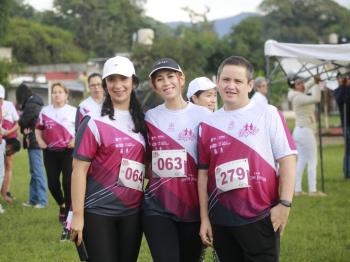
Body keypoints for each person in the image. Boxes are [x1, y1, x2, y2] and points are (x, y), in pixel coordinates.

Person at [197, 56, 297, 262]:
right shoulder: (207, 123)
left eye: (238, 81)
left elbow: (287, 159)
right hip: (222, 218)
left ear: (250, 85)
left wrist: (285, 204)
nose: (230, 86)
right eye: (225, 80)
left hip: (261, 216)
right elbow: (204, 174)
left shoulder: (268, 114)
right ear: (217, 81)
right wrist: (205, 218)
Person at [70, 56, 147, 262]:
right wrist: (77, 215)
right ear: (105, 85)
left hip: (133, 212)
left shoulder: (143, 121)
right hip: (98, 212)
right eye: (112, 80)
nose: (118, 85)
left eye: (123, 79)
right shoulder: (93, 122)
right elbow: (78, 170)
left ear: (133, 82)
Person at [143, 58, 211, 262]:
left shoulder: (205, 115)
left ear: (181, 79)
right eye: (160, 79)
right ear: (154, 86)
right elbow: (144, 160)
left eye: (170, 76)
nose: (166, 83)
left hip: (194, 207)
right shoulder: (149, 118)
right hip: (157, 207)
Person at [35, 82, 76, 222]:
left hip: (68, 152)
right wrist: (40, 141)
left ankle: (69, 215)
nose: (57, 94)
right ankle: (62, 204)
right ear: (51, 95)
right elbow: (38, 128)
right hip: (50, 151)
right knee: (52, 184)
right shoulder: (45, 111)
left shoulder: (74, 111)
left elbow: (83, 129)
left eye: (60, 92)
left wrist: (75, 140)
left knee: (67, 183)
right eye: (54, 92)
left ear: (66, 95)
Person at [287, 75, 326, 196]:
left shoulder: (296, 94)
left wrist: (313, 81)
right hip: (305, 131)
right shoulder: (298, 97)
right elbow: (316, 98)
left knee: (302, 160)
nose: (303, 85)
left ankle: (297, 190)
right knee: (312, 160)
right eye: (299, 83)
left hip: (301, 131)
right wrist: (316, 84)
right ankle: (312, 190)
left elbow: (305, 87)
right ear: (294, 86)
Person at [16, 83, 48, 208]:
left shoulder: (31, 105)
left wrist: (22, 125)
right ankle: (33, 199)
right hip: (32, 140)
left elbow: (23, 121)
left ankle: (42, 200)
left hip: (34, 141)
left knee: (37, 171)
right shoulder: (35, 103)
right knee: (34, 171)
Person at [0, 84, 19, 203]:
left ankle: (5, 193)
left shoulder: (9, 105)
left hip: (9, 139)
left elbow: (18, 123)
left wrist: (7, 132)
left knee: (8, 165)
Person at [333, 72, 350, 178]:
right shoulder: (338, 90)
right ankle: (347, 172)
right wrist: (344, 86)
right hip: (347, 124)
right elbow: (341, 100)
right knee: (348, 149)